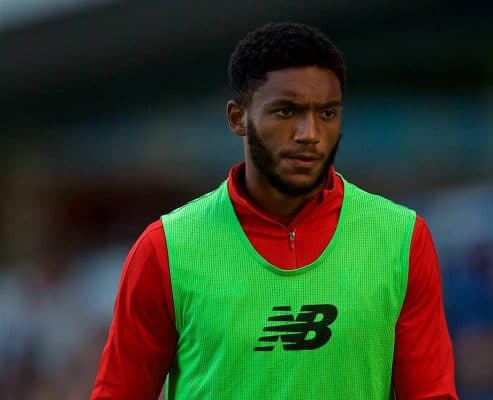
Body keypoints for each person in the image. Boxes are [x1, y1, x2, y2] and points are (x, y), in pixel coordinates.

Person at [91, 22, 457, 400]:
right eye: (286, 112)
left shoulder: (400, 238)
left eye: (327, 113)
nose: (309, 133)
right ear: (238, 118)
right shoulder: (165, 248)